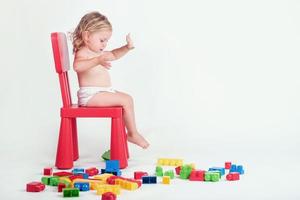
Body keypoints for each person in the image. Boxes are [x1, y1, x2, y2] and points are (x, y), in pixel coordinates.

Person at [71, 11, 149, 149]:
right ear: (87, 36)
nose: (105, 44)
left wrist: (126, 48)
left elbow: (113, 54)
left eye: (107, 40)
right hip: (91, 96)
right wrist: (97, 60)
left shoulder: (97, 52)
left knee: (127, 98)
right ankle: (133, 133)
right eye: (102, 40)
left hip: (102, 92)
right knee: (126, 100)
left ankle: (132, 133)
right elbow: (77, 66)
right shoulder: (83, 52)